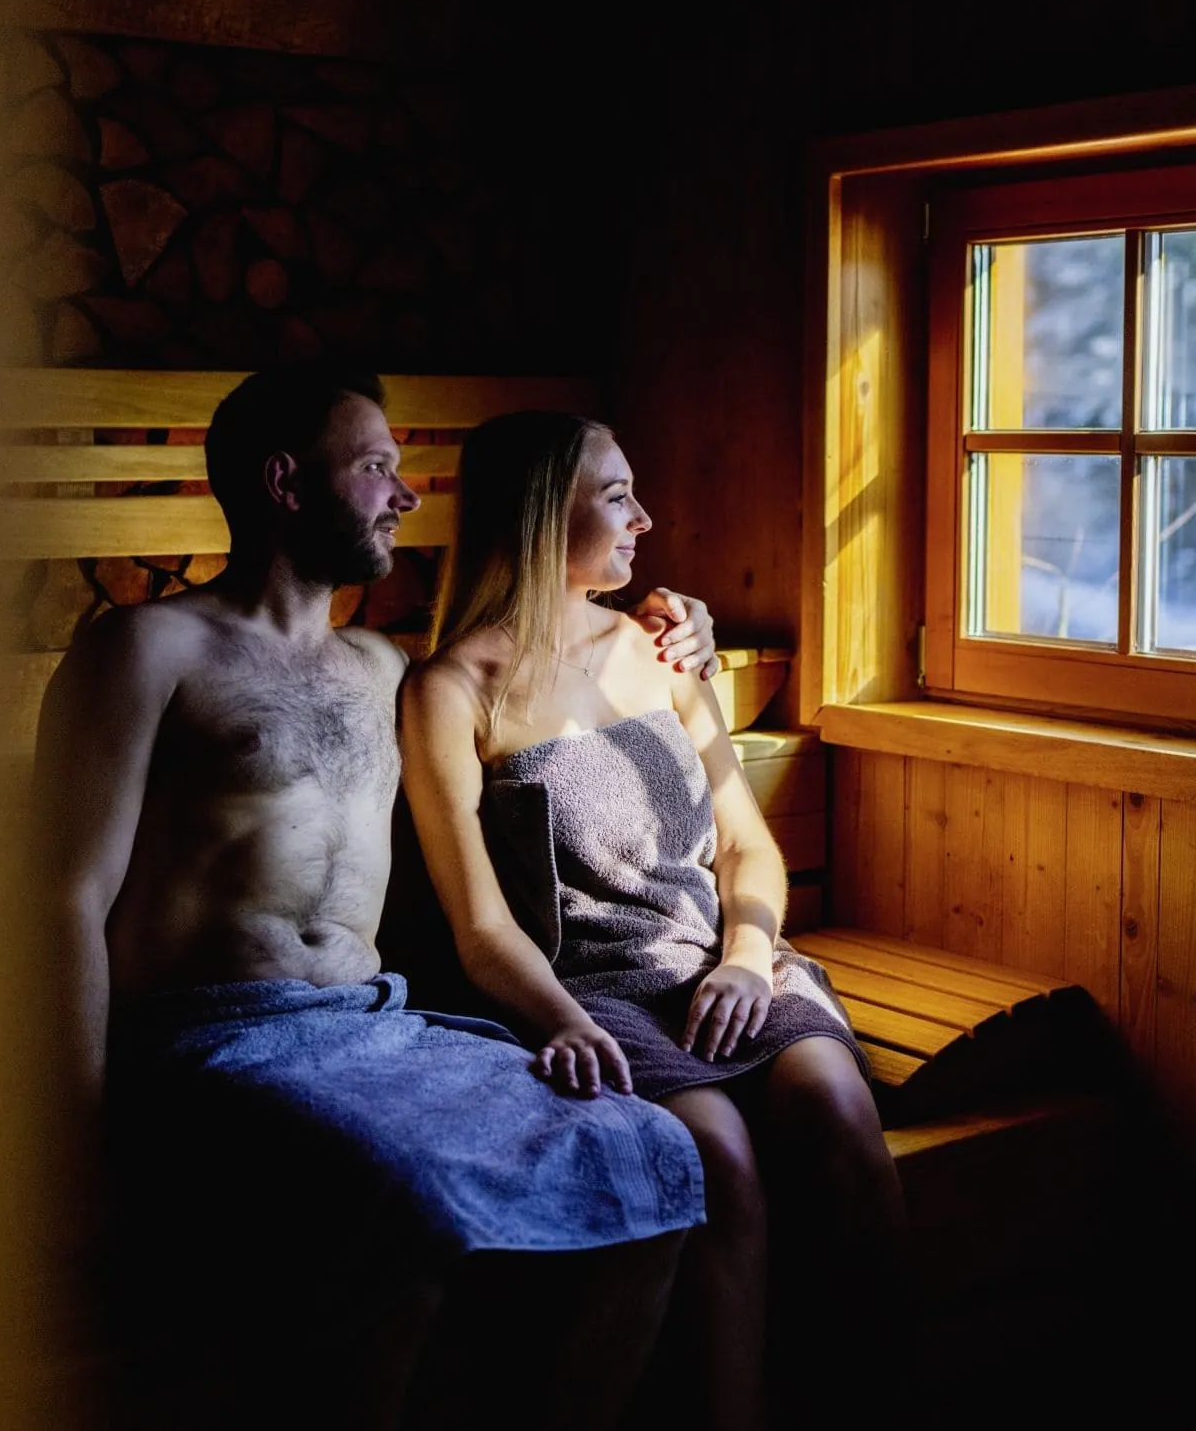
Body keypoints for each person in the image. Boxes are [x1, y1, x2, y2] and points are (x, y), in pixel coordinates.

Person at [35, 362, 725, 1431]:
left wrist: (684, 633)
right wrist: (78, 1154)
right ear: (285, 482)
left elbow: (532, 663)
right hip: (211, 1042)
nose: (405, 495)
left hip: (376, 1025)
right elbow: (65, 900)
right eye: (375, 468)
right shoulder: (145, 648)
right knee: (402, 1209)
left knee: (657, 1156)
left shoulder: (385, 666)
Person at [400, 412, 908, 1431]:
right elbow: (481, 927)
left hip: (728, 961)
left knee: (838, 1113)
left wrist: (750, 959)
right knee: (713, 1152)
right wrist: (563, 1022)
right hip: (593, 991)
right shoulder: (453, 690)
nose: (646, 516)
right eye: (618, 494)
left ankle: (885, 1397)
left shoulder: (663, 644)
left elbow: (749, 847)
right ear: (547, 513)